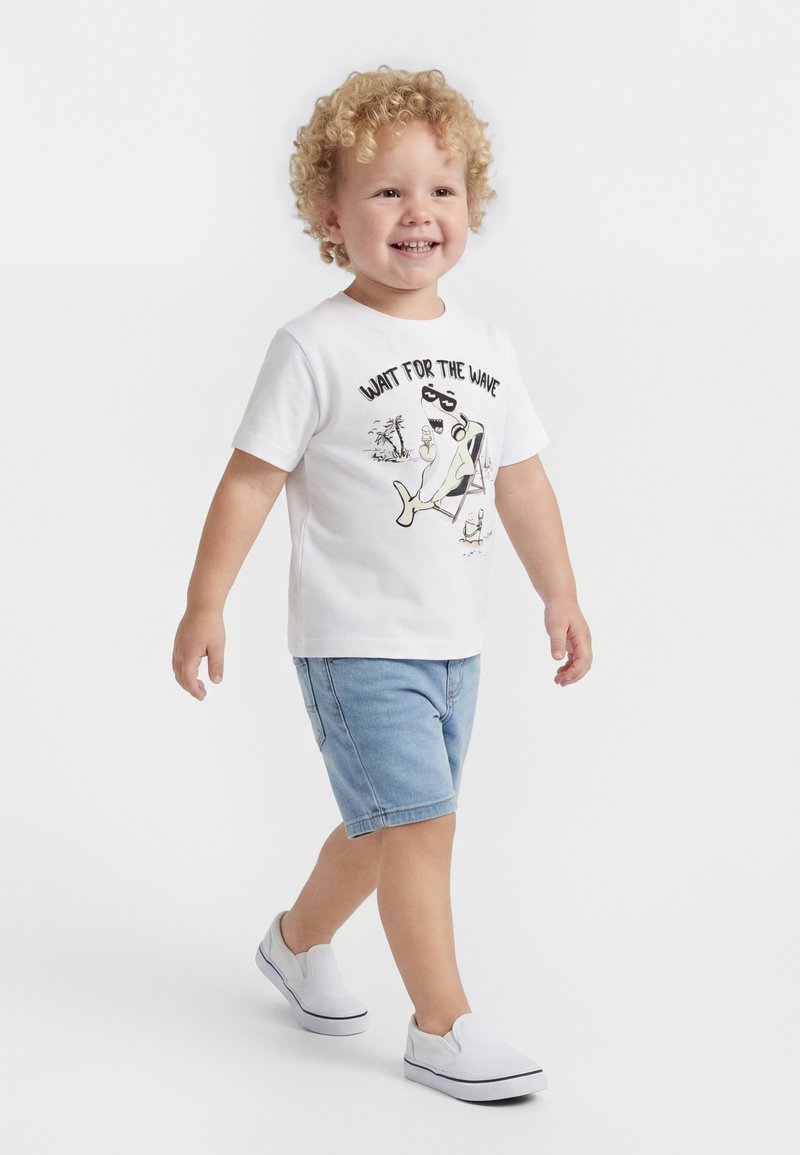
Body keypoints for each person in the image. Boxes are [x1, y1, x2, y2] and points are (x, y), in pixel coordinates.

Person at [172, 65, 592, 1103]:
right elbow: (249, 480)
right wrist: (204, 602)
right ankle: (440, 1026)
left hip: (454, 641)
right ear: (331, 215)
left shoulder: (487, 346)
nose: (417, 212)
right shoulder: (313, 346)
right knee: (415, 827)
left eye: (441, 190)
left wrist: (559, 592)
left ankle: (294, 942)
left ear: (471, 204)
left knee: (394, 821)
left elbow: (521, 479)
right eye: (386, 191)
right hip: (354, 637)